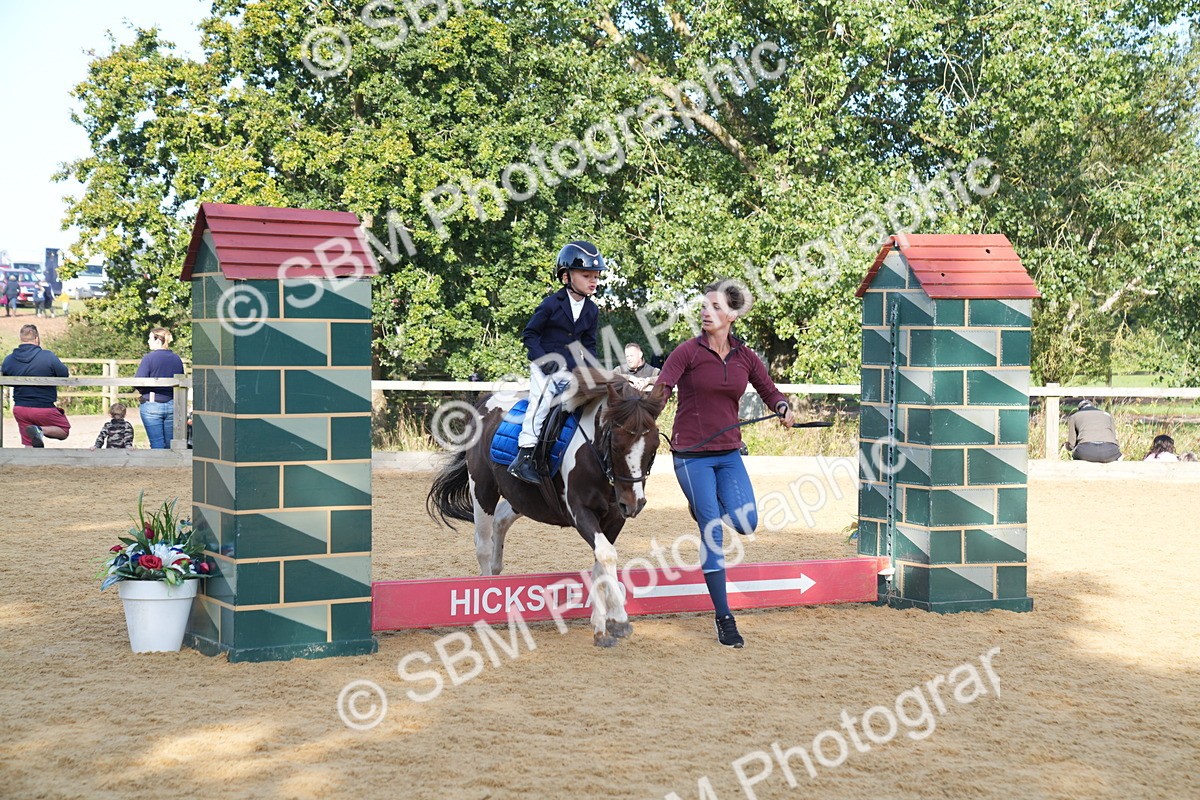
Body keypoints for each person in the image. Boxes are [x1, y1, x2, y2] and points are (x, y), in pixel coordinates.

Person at [650, 279, 794, 648]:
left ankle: (703, 505)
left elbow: (768, 388)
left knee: (746, 523)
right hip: (690, 454)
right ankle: (725, 618)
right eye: (703, 305)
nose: (704, 311)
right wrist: (645, 415)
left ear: (731, 314)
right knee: (712, 530)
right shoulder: (686, 352)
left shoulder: (745, 356)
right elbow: (662, 390)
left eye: (713, 306)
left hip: (729, 453)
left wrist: (781, 407)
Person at [508, 241, 605, 484]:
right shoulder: (551, 304)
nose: (593, 281)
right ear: (566, 277)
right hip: (545, 364)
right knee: (540, 403)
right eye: (586, 275)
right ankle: (525, 455)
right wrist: (543, 362)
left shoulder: (592, 310)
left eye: (596, 276)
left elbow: (589, 345)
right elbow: (530, 335)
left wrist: (594, 372)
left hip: (571, 369)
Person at [1, 324, 71, 447]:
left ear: (21, 338)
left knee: (29, 442)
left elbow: (4, 377)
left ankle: (29, 463)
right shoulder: (48, 356)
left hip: (20, 408)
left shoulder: (9, 359)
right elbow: (64, 374)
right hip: (43, 407)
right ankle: (40, 430)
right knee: (64, 430)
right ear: (37, 338)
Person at [133, 327, 186, 449]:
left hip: (152, 404)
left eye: (150, 338)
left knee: (156, 444)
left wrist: (142, 392)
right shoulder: (176, 359)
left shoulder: (148, 358)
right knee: (170, 444)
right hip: (173, 404)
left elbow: (138, 381)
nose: (148, 341)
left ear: (157, 340)